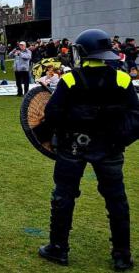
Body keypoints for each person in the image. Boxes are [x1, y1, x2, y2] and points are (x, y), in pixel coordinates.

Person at [38, 29, 139, 270]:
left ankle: (58, 248)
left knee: (63, 196)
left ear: (83, 53)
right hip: (111, 148)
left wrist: (53, 136)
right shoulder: (122, 79)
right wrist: (119, 140)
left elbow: (52, 114)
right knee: (117, 200)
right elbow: (135, 117)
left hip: (73, 147)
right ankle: (122, 255)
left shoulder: (71, 80)